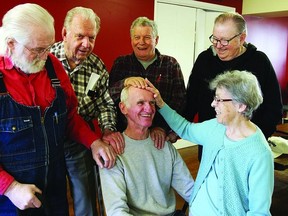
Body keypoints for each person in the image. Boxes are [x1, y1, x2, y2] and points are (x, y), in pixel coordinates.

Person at [0, 3, 115, 216]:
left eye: (47, 48)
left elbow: (69, 117)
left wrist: (93, 141)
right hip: (12, 199)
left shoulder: (52, 65)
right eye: (37, 50)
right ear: (11, 44)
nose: (45, 56)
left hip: (54, 187)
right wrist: (9, 187)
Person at [146, 70, 274, 215]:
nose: (213, 104)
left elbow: (259, 212)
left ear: (241, 105)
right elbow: (186, 129)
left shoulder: (260, 153)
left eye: (219, 99)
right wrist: (161, 104)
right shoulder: (216, 126)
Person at [50, 7, 124, 216]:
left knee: (86, 198)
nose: (86, 44)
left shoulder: (97, 66)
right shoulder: (46, 60)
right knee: (51, 199)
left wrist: (108, 129)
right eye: (80, 36)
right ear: (65, 33)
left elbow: (105, 104)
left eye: (91, 38)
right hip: (48, 141)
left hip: (80, 140)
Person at [185, 12, 282, 161]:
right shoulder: (204, 60)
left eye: (224, 41)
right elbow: (191, 100)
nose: (218, 46)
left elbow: (273, 108)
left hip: (245, 146)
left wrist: (255, 139)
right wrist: (177, 129)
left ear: (241, 38)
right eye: (215, 39)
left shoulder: (259, 62)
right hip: (210, 144)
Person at [99, 85, 194, 215]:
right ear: (123, 108)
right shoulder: (113, 152)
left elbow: (190, 190)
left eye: (152, 103)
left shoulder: (164, 145)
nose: (149, 109)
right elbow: (116, 211)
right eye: (140, 103)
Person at [109, 16, 186, 148]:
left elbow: (180, 101)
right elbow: (108, 97)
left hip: (160, 138)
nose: (141, 42)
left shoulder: (171, 64)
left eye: (147, 37)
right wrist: (125, 82)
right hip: (125, 137)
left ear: (156, 40)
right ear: (131, 39)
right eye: (137, 37)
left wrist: (162, 128)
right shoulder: (121, 63)